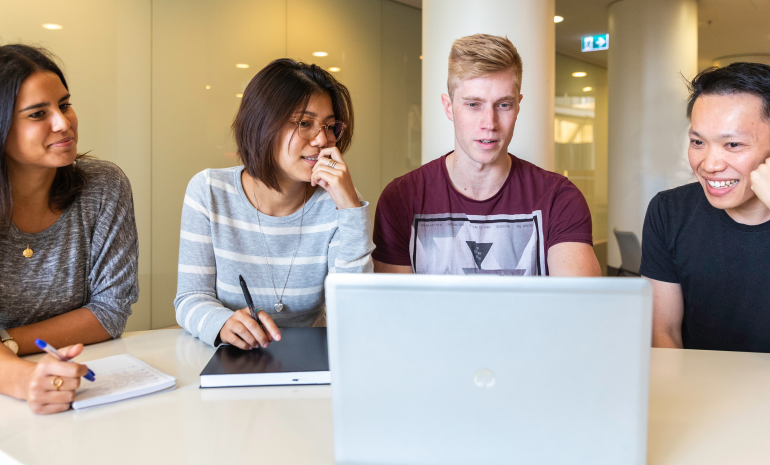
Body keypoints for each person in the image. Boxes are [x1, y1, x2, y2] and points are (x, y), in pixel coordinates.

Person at [174, 59, 374, 350]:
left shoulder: (338, 199)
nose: (322, 139)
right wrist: (222, 323)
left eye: (330, 126)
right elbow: (190, 298)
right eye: (304, 123)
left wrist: (349, 207)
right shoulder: (208, 191)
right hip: (231, 358)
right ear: (261, 124)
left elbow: (357, 311)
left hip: (311, 360)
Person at [373, 34, 601, 276]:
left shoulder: (559, 199)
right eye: (473, 104)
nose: (489, 123)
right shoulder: (400, 199)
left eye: (503, 105)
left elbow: (581, 308)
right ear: (448, 107)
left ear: (518, 106)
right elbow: (395, 311)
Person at [0, 44, 139, 414]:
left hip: (83, 384)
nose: (63, 123)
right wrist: (20, 376)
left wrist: (6, 343)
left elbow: (110, 311)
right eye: (37, 114)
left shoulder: (104, 186)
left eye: (64, 105)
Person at [642, 62, 770, 352]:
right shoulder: (669, 212)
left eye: (733, 145)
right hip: (698, 388)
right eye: (698, 142)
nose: (709, 165)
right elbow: (664, 332)